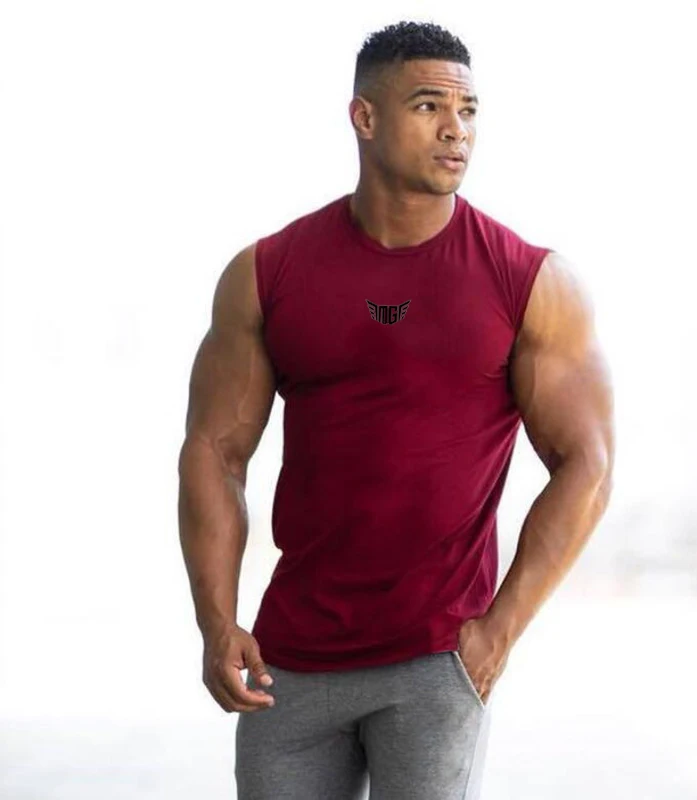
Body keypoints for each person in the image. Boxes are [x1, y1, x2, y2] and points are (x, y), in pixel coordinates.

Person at [178, 19, 614, 800]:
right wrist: (217, 622)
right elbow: (214, 452)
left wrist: (497, 633)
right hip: (291, 662)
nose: (456, 129)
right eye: (428, 106)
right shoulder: (267, 273)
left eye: (469, 110)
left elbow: (589, 462)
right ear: (365, 117)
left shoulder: (529, 280)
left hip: (435, 660)